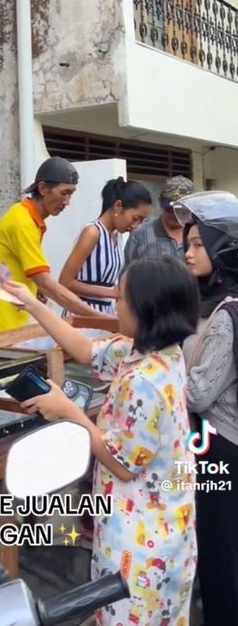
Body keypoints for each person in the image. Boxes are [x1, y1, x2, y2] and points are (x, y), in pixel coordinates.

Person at [3, 256, 198, 625]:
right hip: (164, 527)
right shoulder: (155, 354)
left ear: (146, 307)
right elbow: (85, 350)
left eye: (121, 296)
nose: (114, 303)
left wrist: (67, 410)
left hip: (140, 541)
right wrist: (31, 303)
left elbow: (121, 464)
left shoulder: (145, 382)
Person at [174, 191, 238, 626]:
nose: (189, 253)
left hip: (221, 447)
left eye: (199, 245)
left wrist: (159, 366)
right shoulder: (205, 304)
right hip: (207, 443)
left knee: (221, 552)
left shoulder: (227, 313)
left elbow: (198, 394)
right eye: (188, 245)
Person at [0, 157, 116, 335]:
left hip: (8, 321)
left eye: (71, 194)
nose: (67, 201)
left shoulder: (29, 219)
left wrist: (36, 286)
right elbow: (47, 283)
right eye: (64, 193)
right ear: (43, 188)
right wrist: (102, 319)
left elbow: (26, 271)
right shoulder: (22, 222)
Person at [59, 177, 152, 314]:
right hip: (82, 313)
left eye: (141, 221)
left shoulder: (117, 236)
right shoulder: (92, 233)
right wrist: (111, 292)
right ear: (118, 206)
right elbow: (65, 282)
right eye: (135, 218)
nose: (135, 226)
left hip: (105, 313)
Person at [124, 175, 194, 265]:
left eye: (182, 211)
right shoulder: (140, 234)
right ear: (160, 202)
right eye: (170, 210)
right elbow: (127, 273)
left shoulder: (200, 234)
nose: (176, 215)